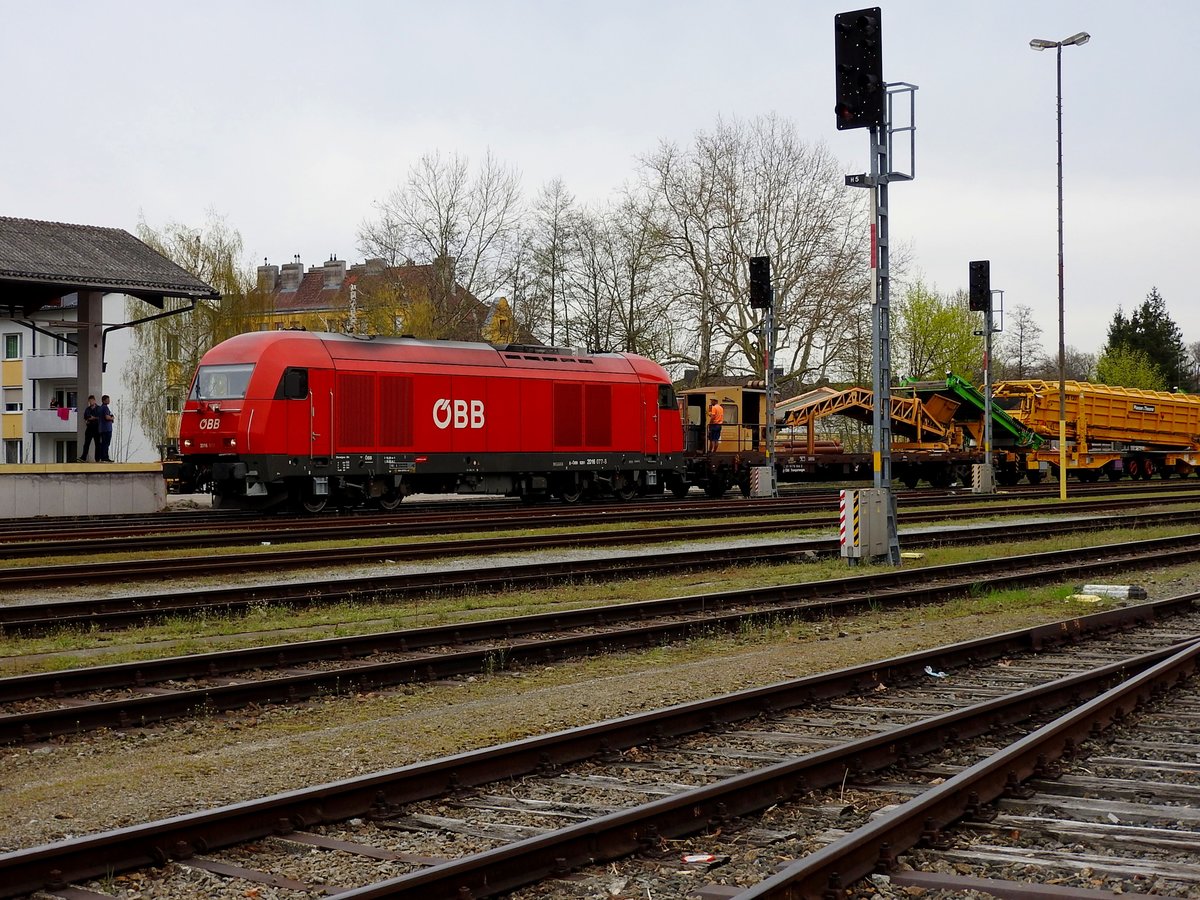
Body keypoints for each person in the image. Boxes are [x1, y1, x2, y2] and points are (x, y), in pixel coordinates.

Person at [79, 395, 100, 462]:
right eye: (89, 401)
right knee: (86, 444)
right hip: (89, 428)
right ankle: (83, 457)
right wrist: (87, 420)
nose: (91, 402)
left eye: (92, 401)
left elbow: (101, 417)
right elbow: (85, 417)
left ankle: (97, 458)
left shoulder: (99, 408)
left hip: (97, 428)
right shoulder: (87, 409)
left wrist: (94, 418)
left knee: (97, 444)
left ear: (94, 401)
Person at [97, 394, 115, 462]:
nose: (109, 400)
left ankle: (103, 457)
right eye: (108, 399)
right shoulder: (105, 408)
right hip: (106, 429)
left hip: (102, 429)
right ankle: (105, 457)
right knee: (106, 443)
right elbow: (107, 417)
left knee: (104, 443)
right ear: (105, 400)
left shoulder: (101, 408)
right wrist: (112, 418)